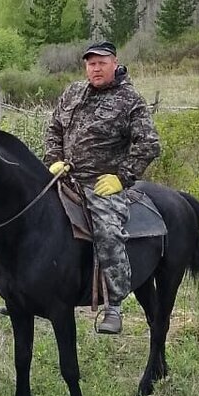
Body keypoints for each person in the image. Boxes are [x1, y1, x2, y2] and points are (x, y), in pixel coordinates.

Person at [43, 40, 161, 334]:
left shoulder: (130, 99)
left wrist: (122, 177)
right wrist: (54, 158)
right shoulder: (72, 92)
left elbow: (149, 144)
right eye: (91, 63)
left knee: (108, 232)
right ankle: (28, 290)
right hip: (64, 177)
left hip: (102, 185)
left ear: (114, 63)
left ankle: (115, 305)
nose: (95, 68)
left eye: (101, 63)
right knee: (30, 216)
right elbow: (54, 128)